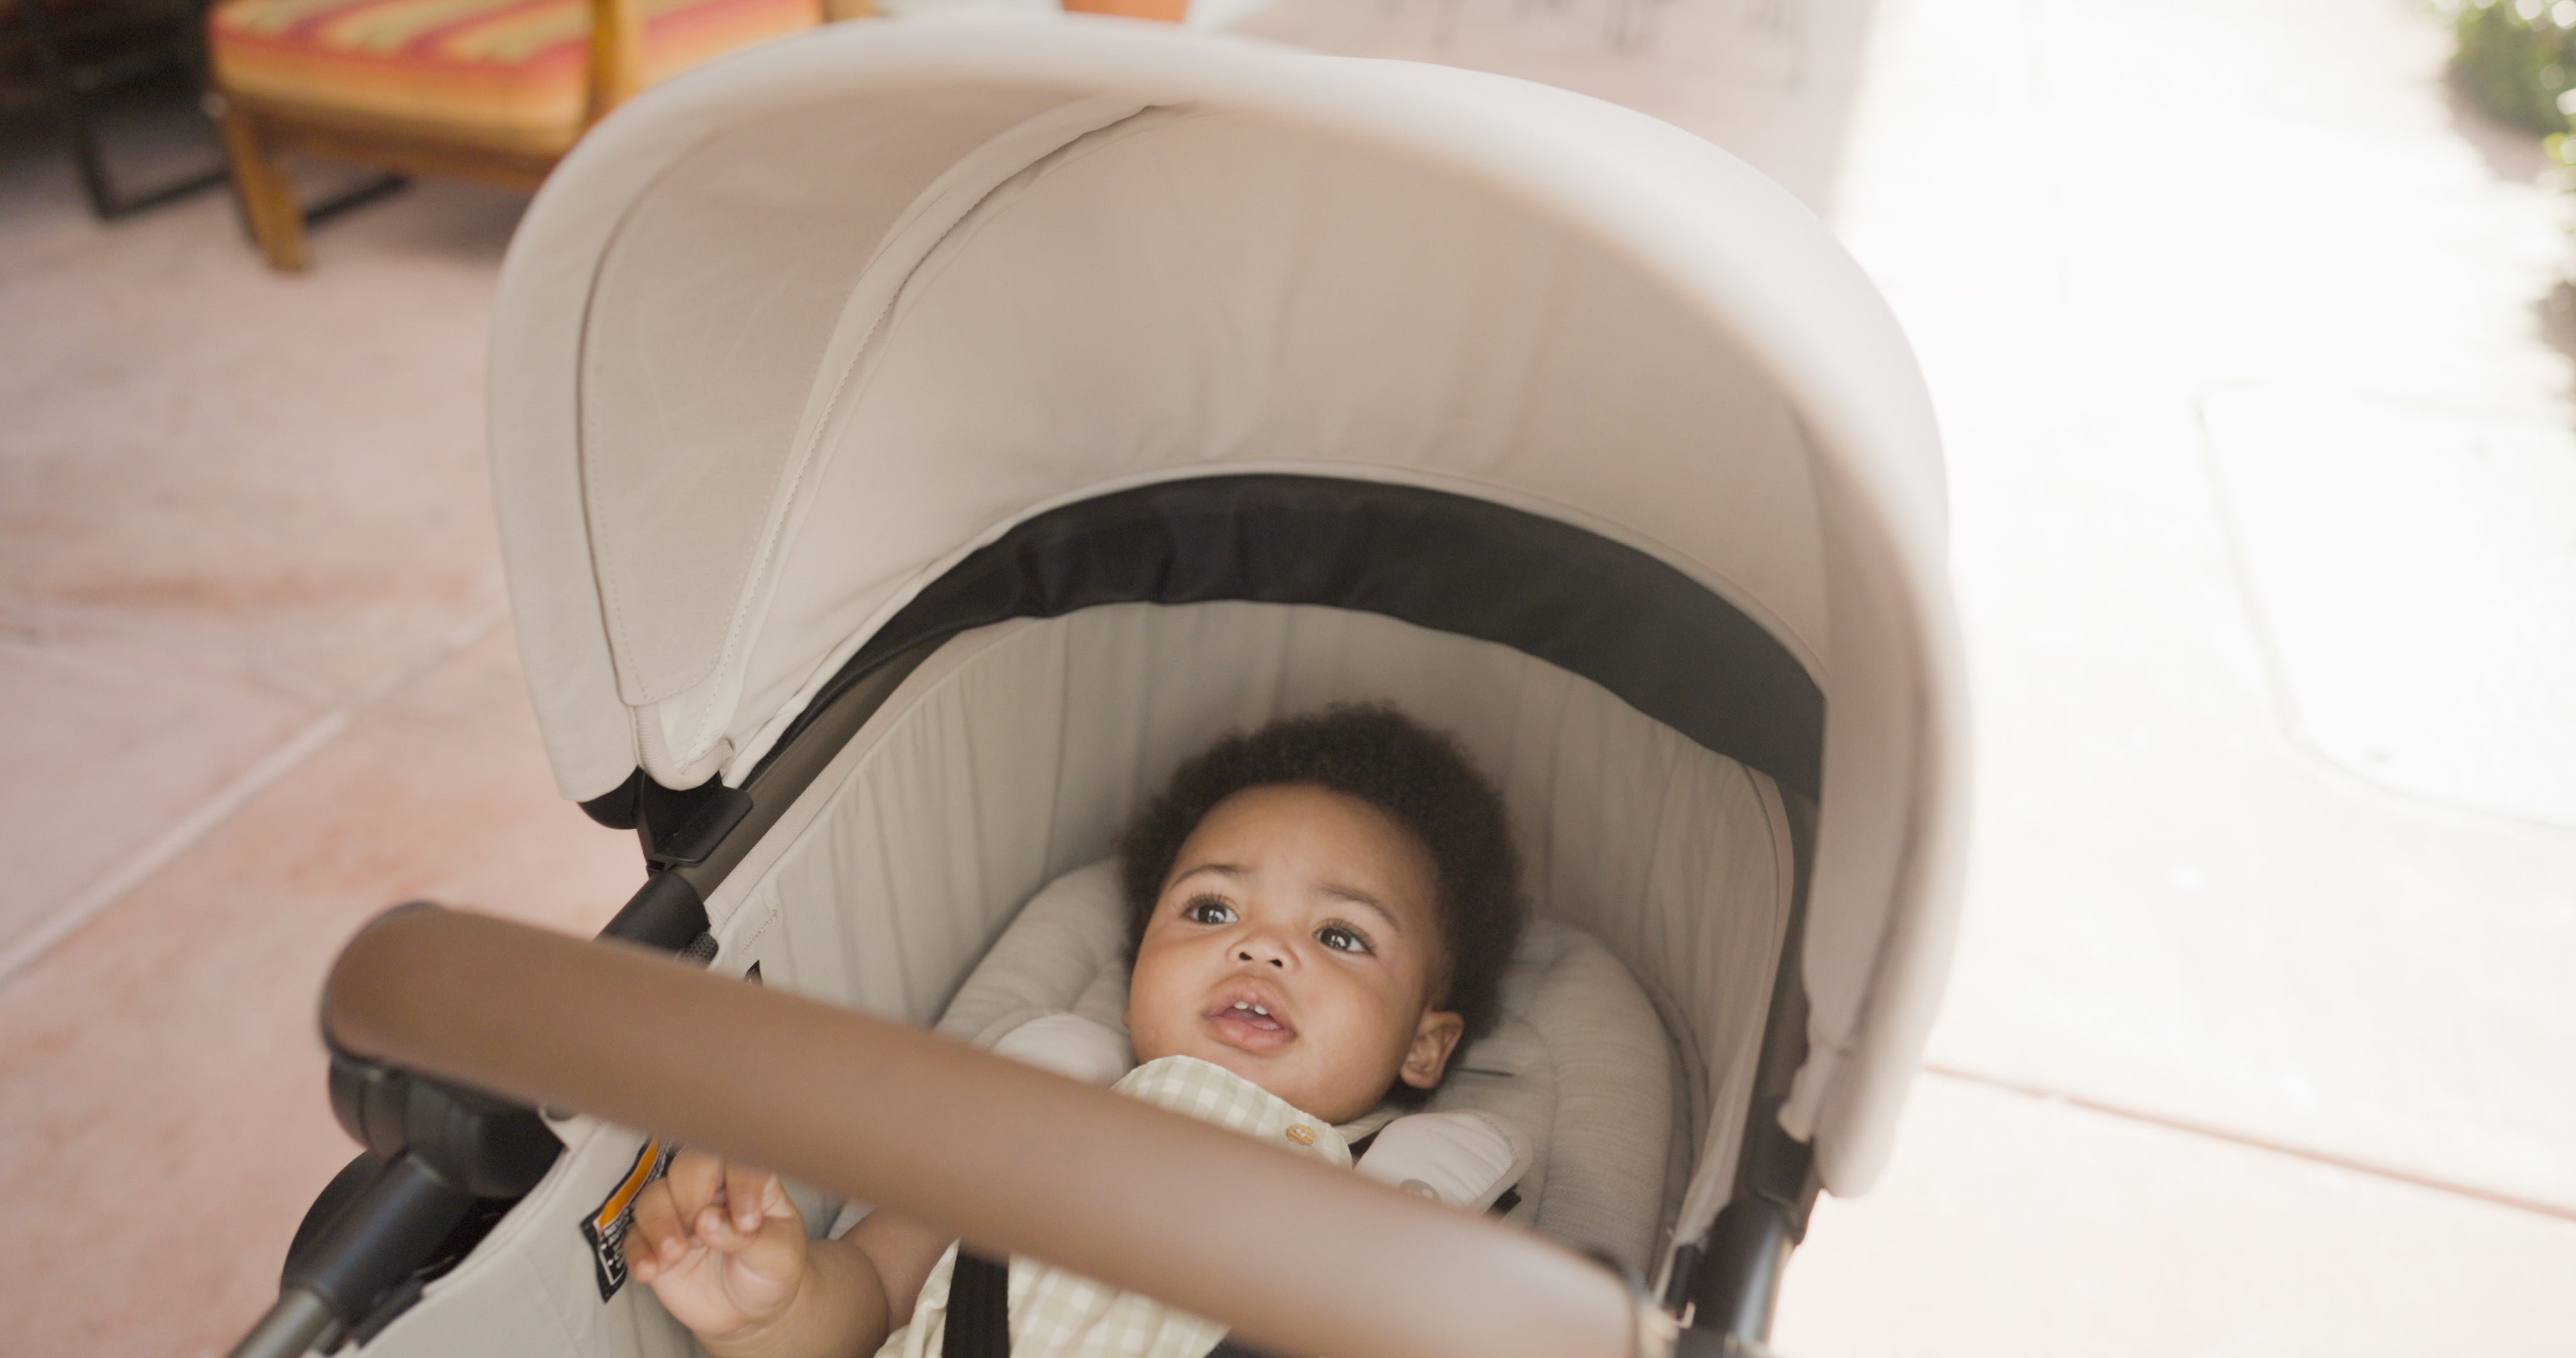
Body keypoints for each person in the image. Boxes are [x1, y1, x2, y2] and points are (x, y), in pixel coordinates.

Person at [625, 705, 1525, 1358]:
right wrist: (765, 1309)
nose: (1260, 948)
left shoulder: (1392, 1213)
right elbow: (864, 1299)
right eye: (1212, 910)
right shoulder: (1029, 1127)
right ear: (1136, 984)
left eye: (1339, 937)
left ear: (1424, 1046)